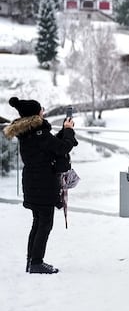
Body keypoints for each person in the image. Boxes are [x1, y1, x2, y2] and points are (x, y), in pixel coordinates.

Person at [3, 97, 76, 274]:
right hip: (43, 184)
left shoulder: (29, 132)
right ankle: (36, 262)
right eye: (41, 109)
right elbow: (62, 148)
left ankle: (31, 261)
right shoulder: (40, 133)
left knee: (38, 223)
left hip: (32, 182)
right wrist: (68, 130)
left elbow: (50, 146)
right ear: (36, 113)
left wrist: (63, 132)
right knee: (44, 224)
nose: (43, 110)